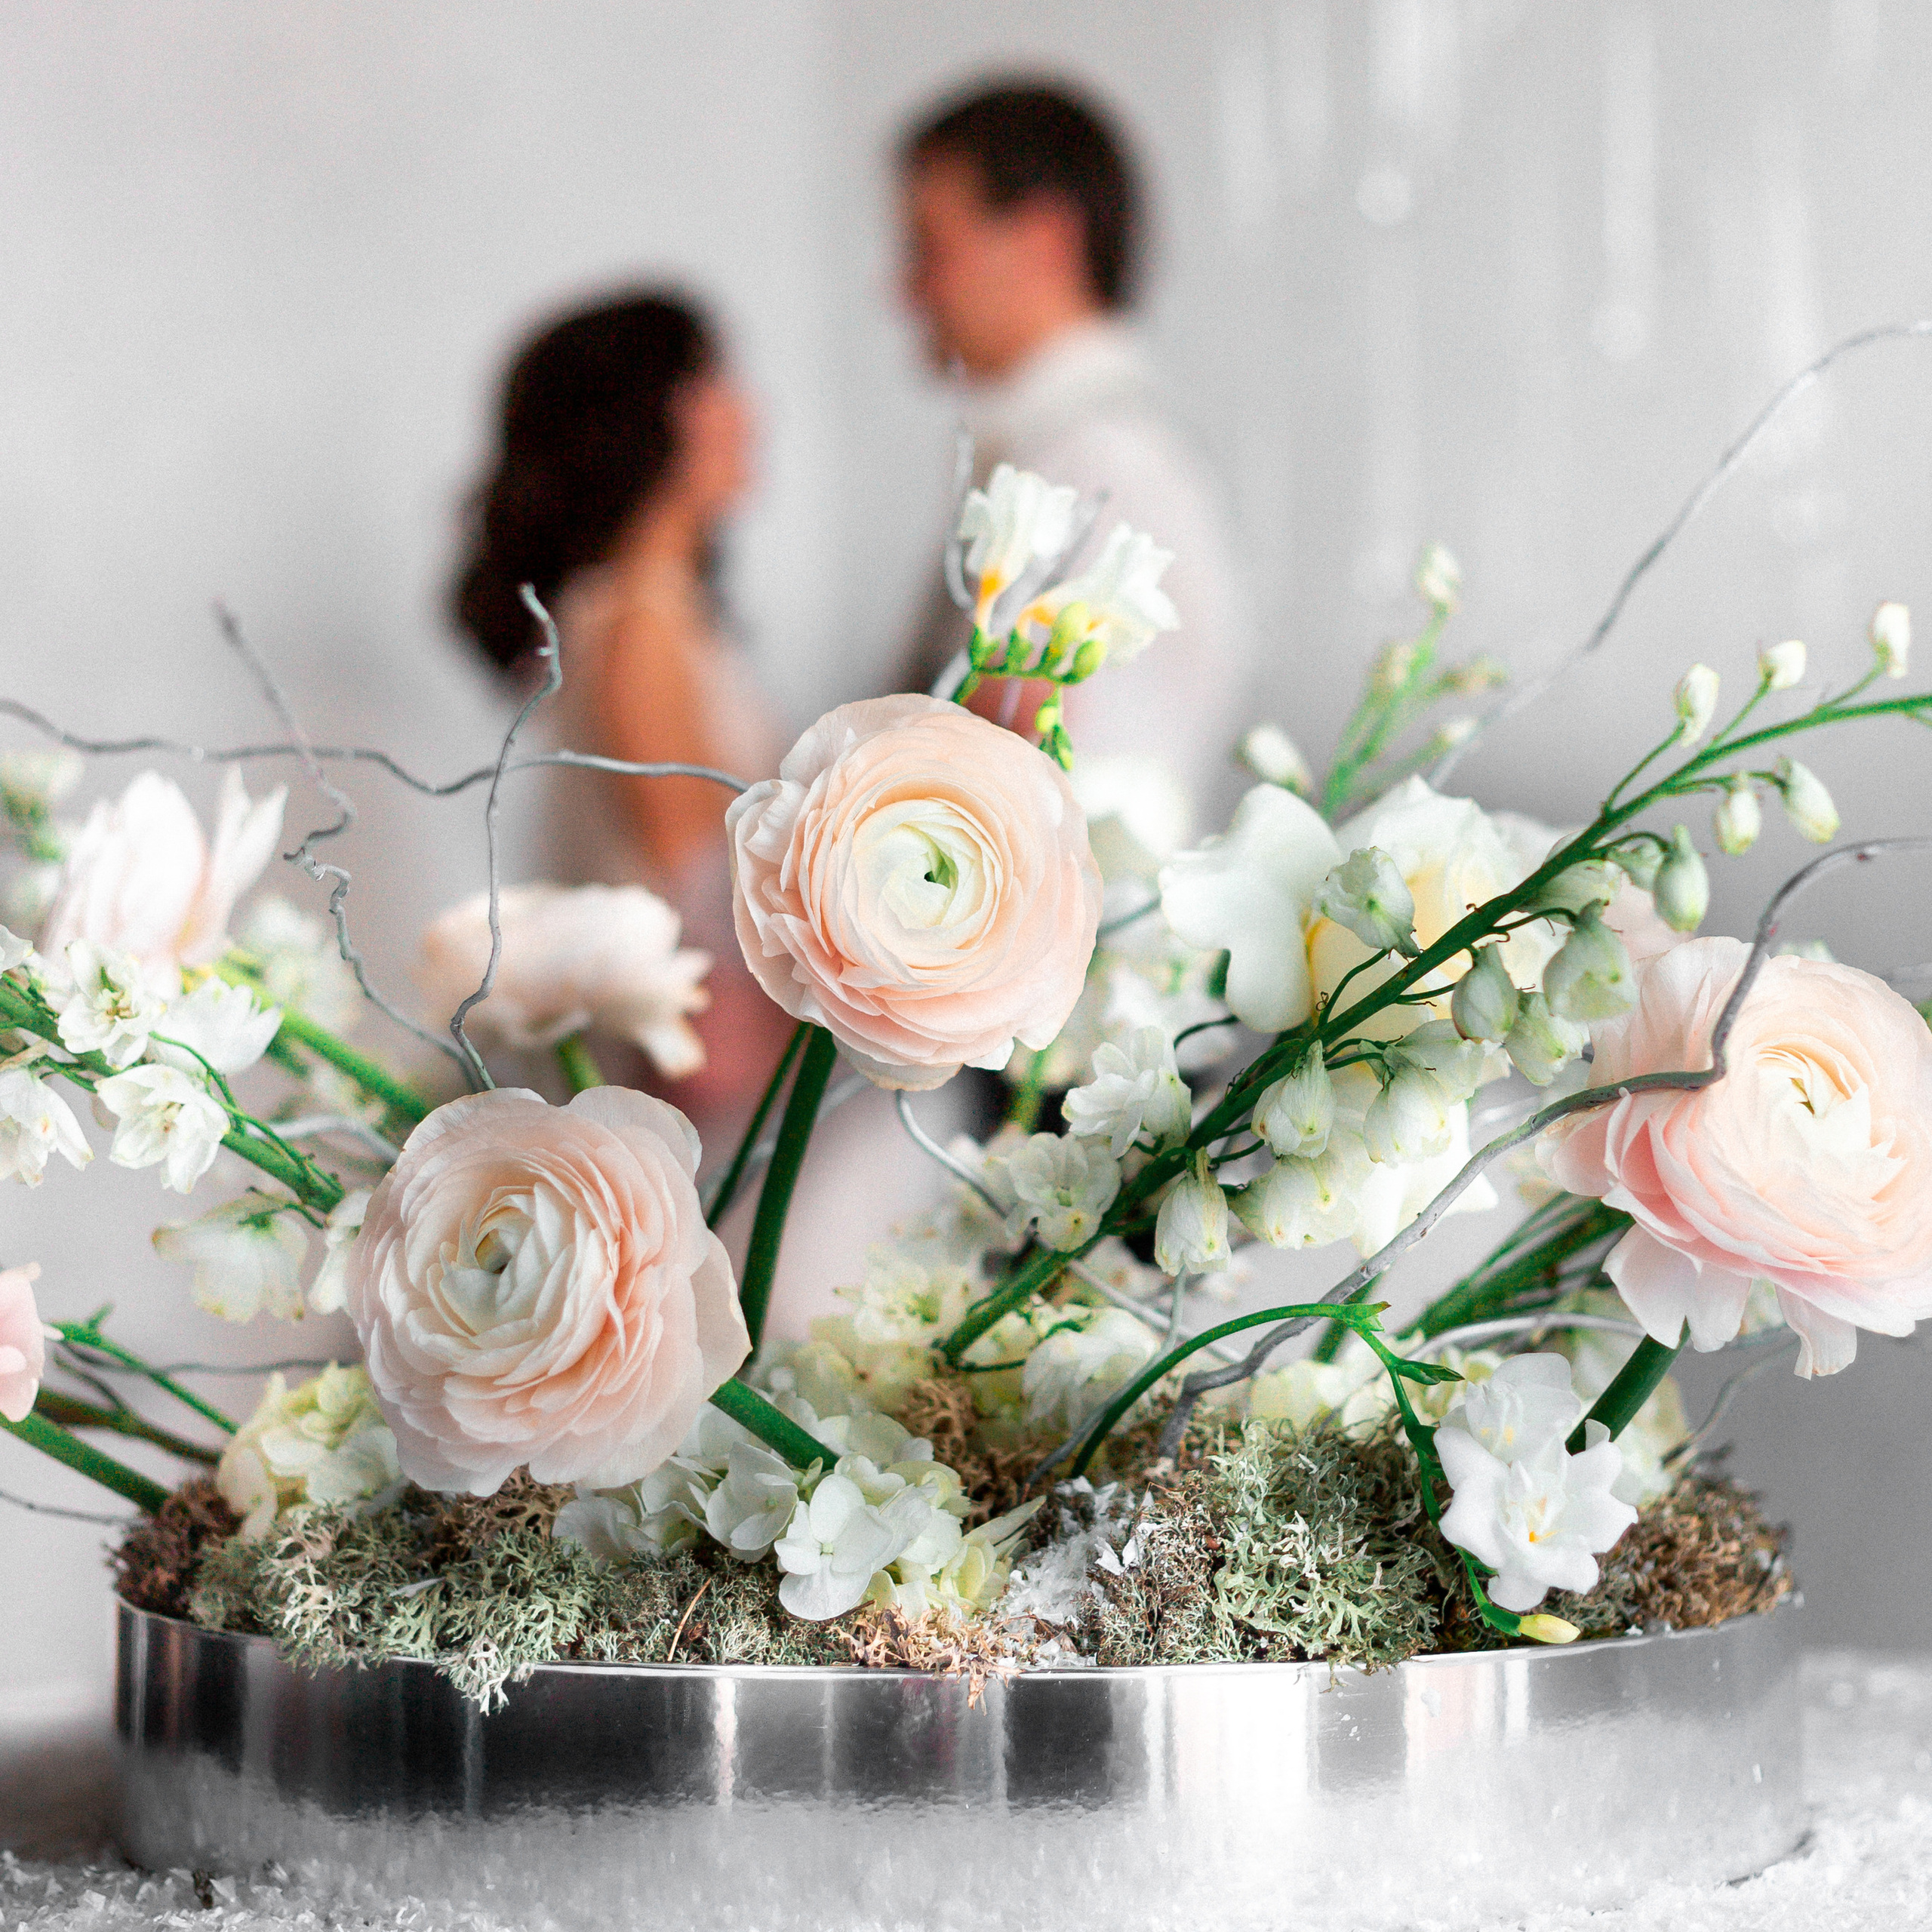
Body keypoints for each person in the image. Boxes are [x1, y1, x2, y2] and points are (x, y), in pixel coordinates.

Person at [450, 290, 787, 1126]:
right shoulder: (638, 624)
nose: (746, 411)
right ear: (649, 417)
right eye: (714, 381)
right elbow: (699, 889)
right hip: (695, 1079)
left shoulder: (656, 617)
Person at [897, 79, 1253, 828]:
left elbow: (1028, 781)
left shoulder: (1097, 466)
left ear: (1045, 239)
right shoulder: (1071, 451)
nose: (906, 291)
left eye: (929, 248)